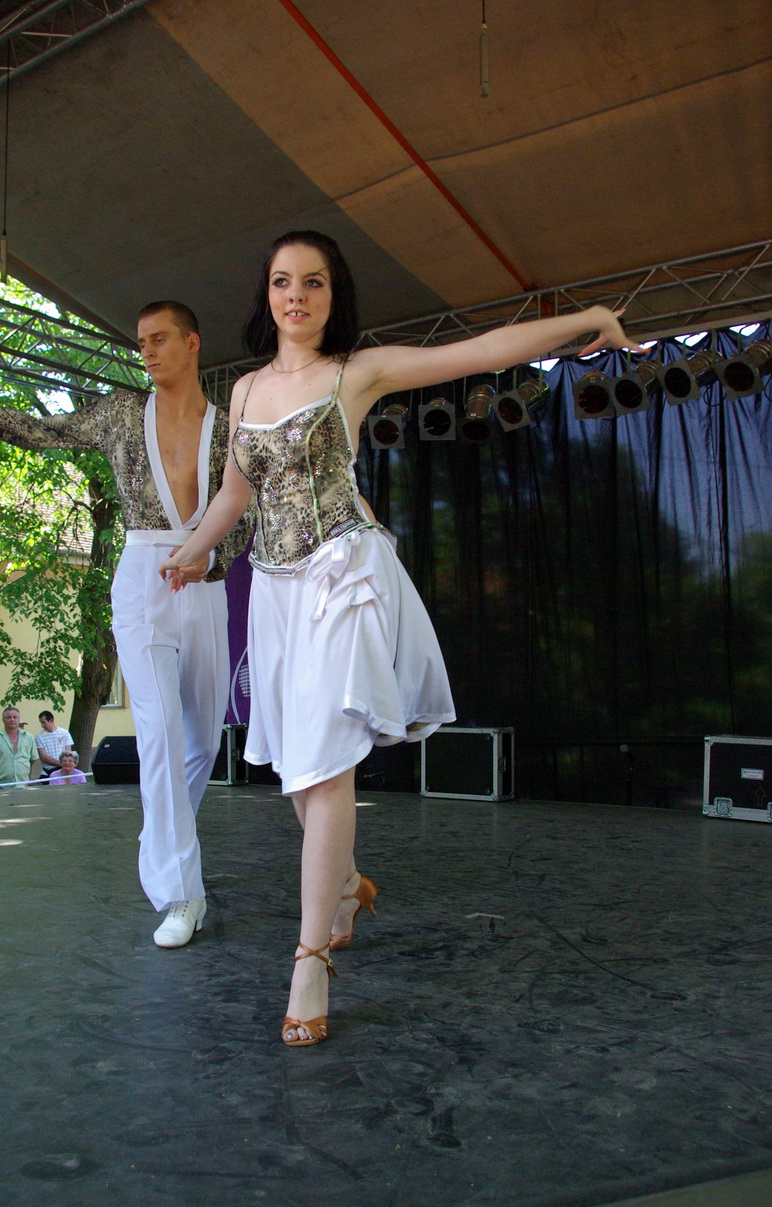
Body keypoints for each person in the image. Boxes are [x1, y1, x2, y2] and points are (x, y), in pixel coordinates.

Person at [160, 229, 645, 1046]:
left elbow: (477, 352)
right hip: (273, 592)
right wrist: (192, 550)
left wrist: (586, 318)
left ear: (333, 294)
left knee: (326, 765)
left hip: (341, 575)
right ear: (266, 295)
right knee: (297, 778)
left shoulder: (356, 372)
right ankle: (347, 886)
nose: (296, 296)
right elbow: (234, 495)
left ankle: (310, 958)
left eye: (313, 282)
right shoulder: (241, 392)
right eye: (282, 281)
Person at [0, 301, 254, 947]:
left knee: (203, 740)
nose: (146, 351)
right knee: (160, 734)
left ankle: (162, 838)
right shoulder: (120, 413)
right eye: (140, 341)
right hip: (143, 576)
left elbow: (246, 512)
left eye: (159, 339)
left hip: (202, 583)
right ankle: (181, 893)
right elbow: (40, 431)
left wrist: (214, 558)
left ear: (193, 342)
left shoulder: (229, 427)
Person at [0, 706, 40, 784]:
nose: (12, 720)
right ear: (3, 720)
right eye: (8, 717)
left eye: (15, 717)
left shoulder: (29, 738)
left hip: (22, 784)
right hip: (1, 785)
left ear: (19, 719)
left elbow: (33, 759)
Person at [35, 710, 73, 778]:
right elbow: (43, 757)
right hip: (47, 771)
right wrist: (61, 764)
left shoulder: (64, 733)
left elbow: (68, 753)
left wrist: (65, 764)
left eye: (43, 722)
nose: (42, 725)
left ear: (51, 720)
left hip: (62, 771)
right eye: (41, 722)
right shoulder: (39, 737)